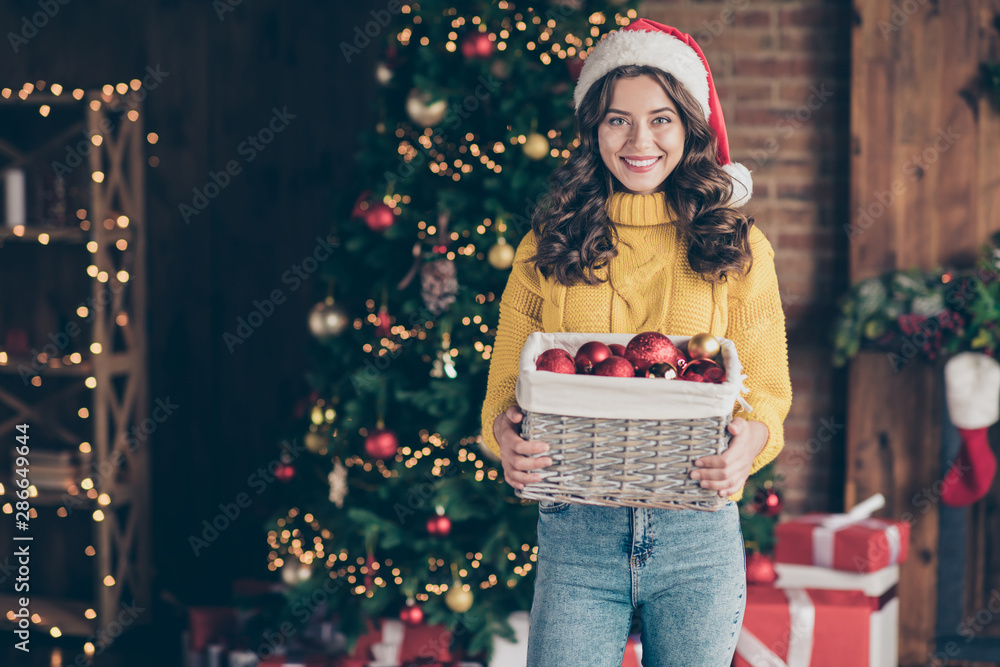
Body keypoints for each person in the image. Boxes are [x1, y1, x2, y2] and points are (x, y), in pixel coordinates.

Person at [479, 19, 794, 667]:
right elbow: (505, 394)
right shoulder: (547, 244)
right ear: (594, 129)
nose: (640, 140)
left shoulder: (738, 246)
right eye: (618, 120)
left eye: (661, 119)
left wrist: (750, 446)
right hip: (578, 535)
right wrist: (505, 439)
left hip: (697, 534)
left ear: (689, 128)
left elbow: (766, 392)